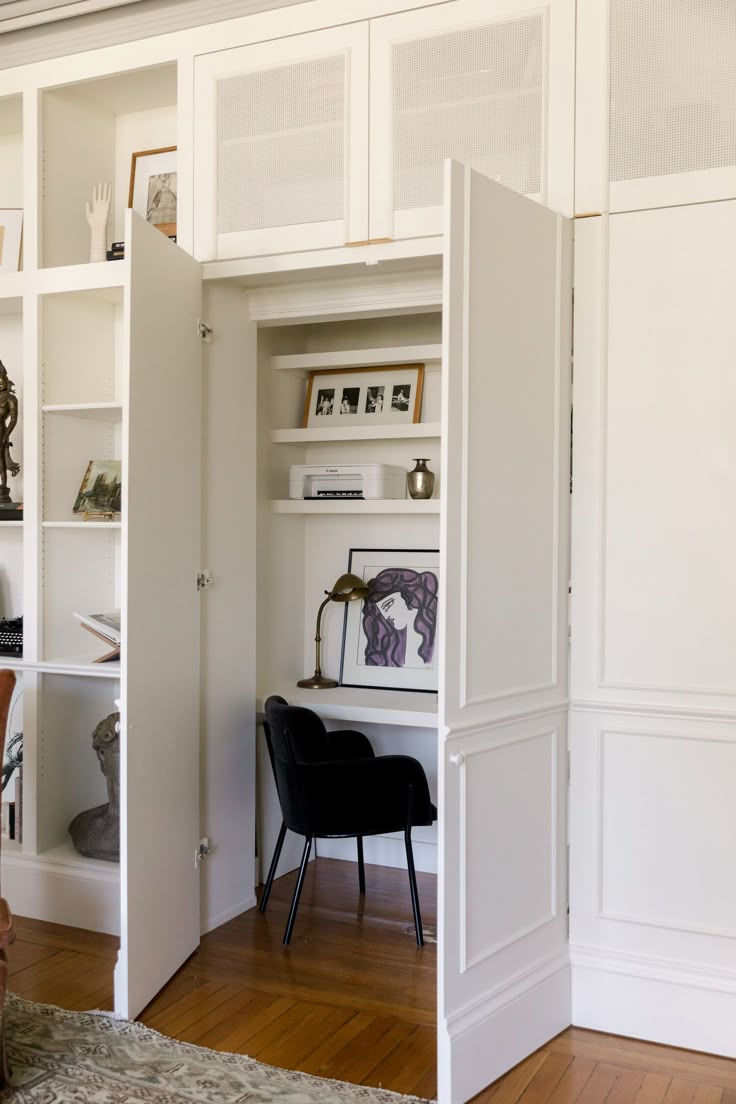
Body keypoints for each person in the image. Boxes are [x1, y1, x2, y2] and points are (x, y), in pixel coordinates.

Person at [361, 567, 437, 668]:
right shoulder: (388, 641)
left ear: (406, 596)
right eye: (381, 610)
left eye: (388, 605)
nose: (386, 615)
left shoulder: (433, 628)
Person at [0, 362, 20, 504]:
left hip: (1, 430)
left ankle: (4, 486)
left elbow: (13, 419)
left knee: (1, 459)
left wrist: (6, 435)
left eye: (2, 381)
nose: (0, 384)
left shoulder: (10, 399)